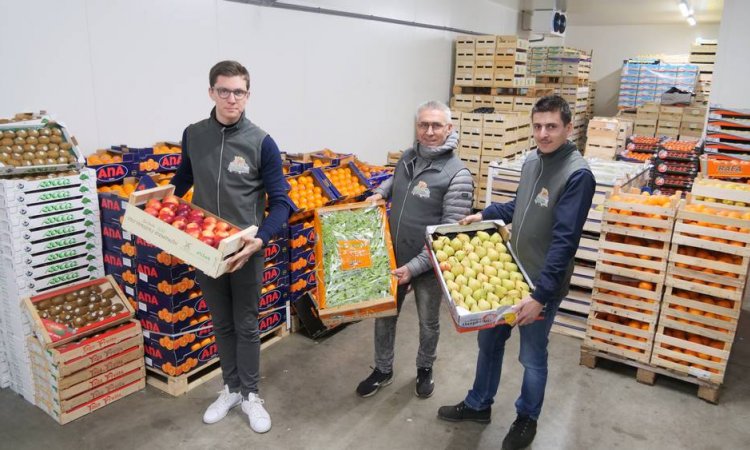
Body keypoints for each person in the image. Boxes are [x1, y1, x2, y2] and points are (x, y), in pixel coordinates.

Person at [437, 95, 596, 450]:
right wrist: (486, 213)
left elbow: (565, 241)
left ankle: (527, 418)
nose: (543, 134)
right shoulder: (532, 161)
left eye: (552, 126)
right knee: (489, 343)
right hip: (512, 274)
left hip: (540, 285)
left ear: (569, 128)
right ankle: (479, 404)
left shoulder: (577, 175)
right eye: (537, 126)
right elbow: (520, 205)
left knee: (532, 356)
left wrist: (540, 296)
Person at [171, 60, 290, 433]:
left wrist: (260, 240)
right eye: (224, 90)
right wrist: (160, 215)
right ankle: (231, 388)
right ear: (211, 92)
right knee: (222, 323)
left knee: (247, 324)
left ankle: (251, 394)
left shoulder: (261, 142)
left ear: (248, 95)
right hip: (205, 250)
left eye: (239, 91)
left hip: (245, 251)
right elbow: (182, 181)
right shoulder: (194, 134)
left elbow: (283, 201)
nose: (231, 98)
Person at [357, 100, 474, 399]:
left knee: (428, 320)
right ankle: (383, 369)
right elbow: (397, 183)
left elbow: (447, 236)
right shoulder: (408, 157)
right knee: (384, 315)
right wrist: (379, 193)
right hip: (393, 254)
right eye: (424, 124)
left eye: (437, 125)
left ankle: (425, 367)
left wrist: (416, 266)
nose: (430, 131)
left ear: (449, 128)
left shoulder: (457, 174)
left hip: (428, 263)